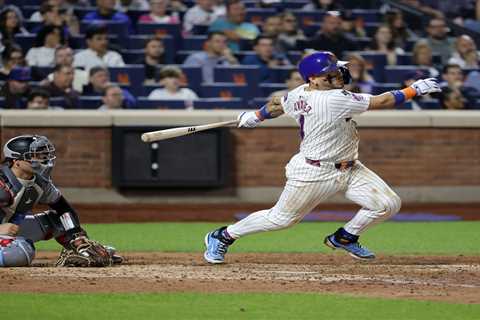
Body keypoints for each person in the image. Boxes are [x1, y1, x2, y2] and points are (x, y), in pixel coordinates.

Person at [203, 51, 441, 264]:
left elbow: (278, 103)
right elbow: (383, 100)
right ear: (313, 79)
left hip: (350, 167)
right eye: (329, 73)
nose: (337, 75)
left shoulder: (300, 93)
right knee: (281, 220)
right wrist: (414, 89)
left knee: (387, 204)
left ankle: (345, 238)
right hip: (314, 171)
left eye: (336, 70)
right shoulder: (335, 99)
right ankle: (222, 235)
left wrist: (257, 115)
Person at [0, 134, 122, 267]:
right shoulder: (2, 183)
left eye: (43, 155)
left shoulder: (41, 182)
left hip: (12, 227)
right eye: (35, 155)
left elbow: (63, 209)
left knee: (59, 221)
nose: (43, 159)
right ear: (16, 161)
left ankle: (82, 252)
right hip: (3, 229)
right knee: (19, 253)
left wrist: (78, 240)